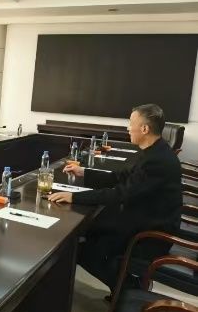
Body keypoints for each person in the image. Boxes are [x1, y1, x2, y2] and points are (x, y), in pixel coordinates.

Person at [48, 104, 182, 291]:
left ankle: (129, 288)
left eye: (131, 123)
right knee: (88, 229)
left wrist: (74, 197)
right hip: (142, 218)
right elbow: (121, 178)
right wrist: (84, 172)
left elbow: (120, 194)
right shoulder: (154, 151)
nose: (128, 128)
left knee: (80, 249)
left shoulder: (156, 161)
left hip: (148, 234)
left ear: (144, 129)